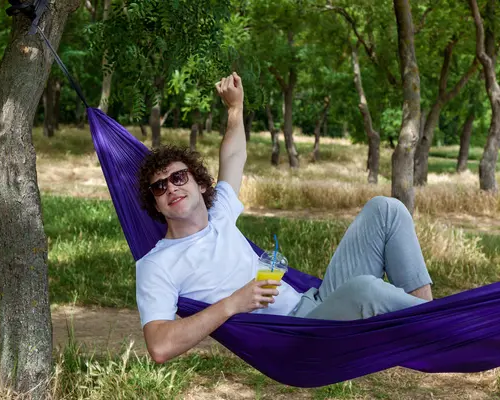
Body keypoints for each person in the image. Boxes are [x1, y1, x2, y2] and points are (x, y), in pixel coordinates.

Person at [135, 72, 433, 364]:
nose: (171, 187)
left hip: (316, 305)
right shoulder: (156, 264)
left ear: (200, 184)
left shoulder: (219, 216)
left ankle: (434, 321)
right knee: (364, 289)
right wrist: (232, 304)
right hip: (296, 340)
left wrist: (235, 108)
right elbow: (160, 346)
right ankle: (439, 330)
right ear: (156, 204)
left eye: (178, 177)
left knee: (386, 209)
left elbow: (234, 156)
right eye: (160, 186)